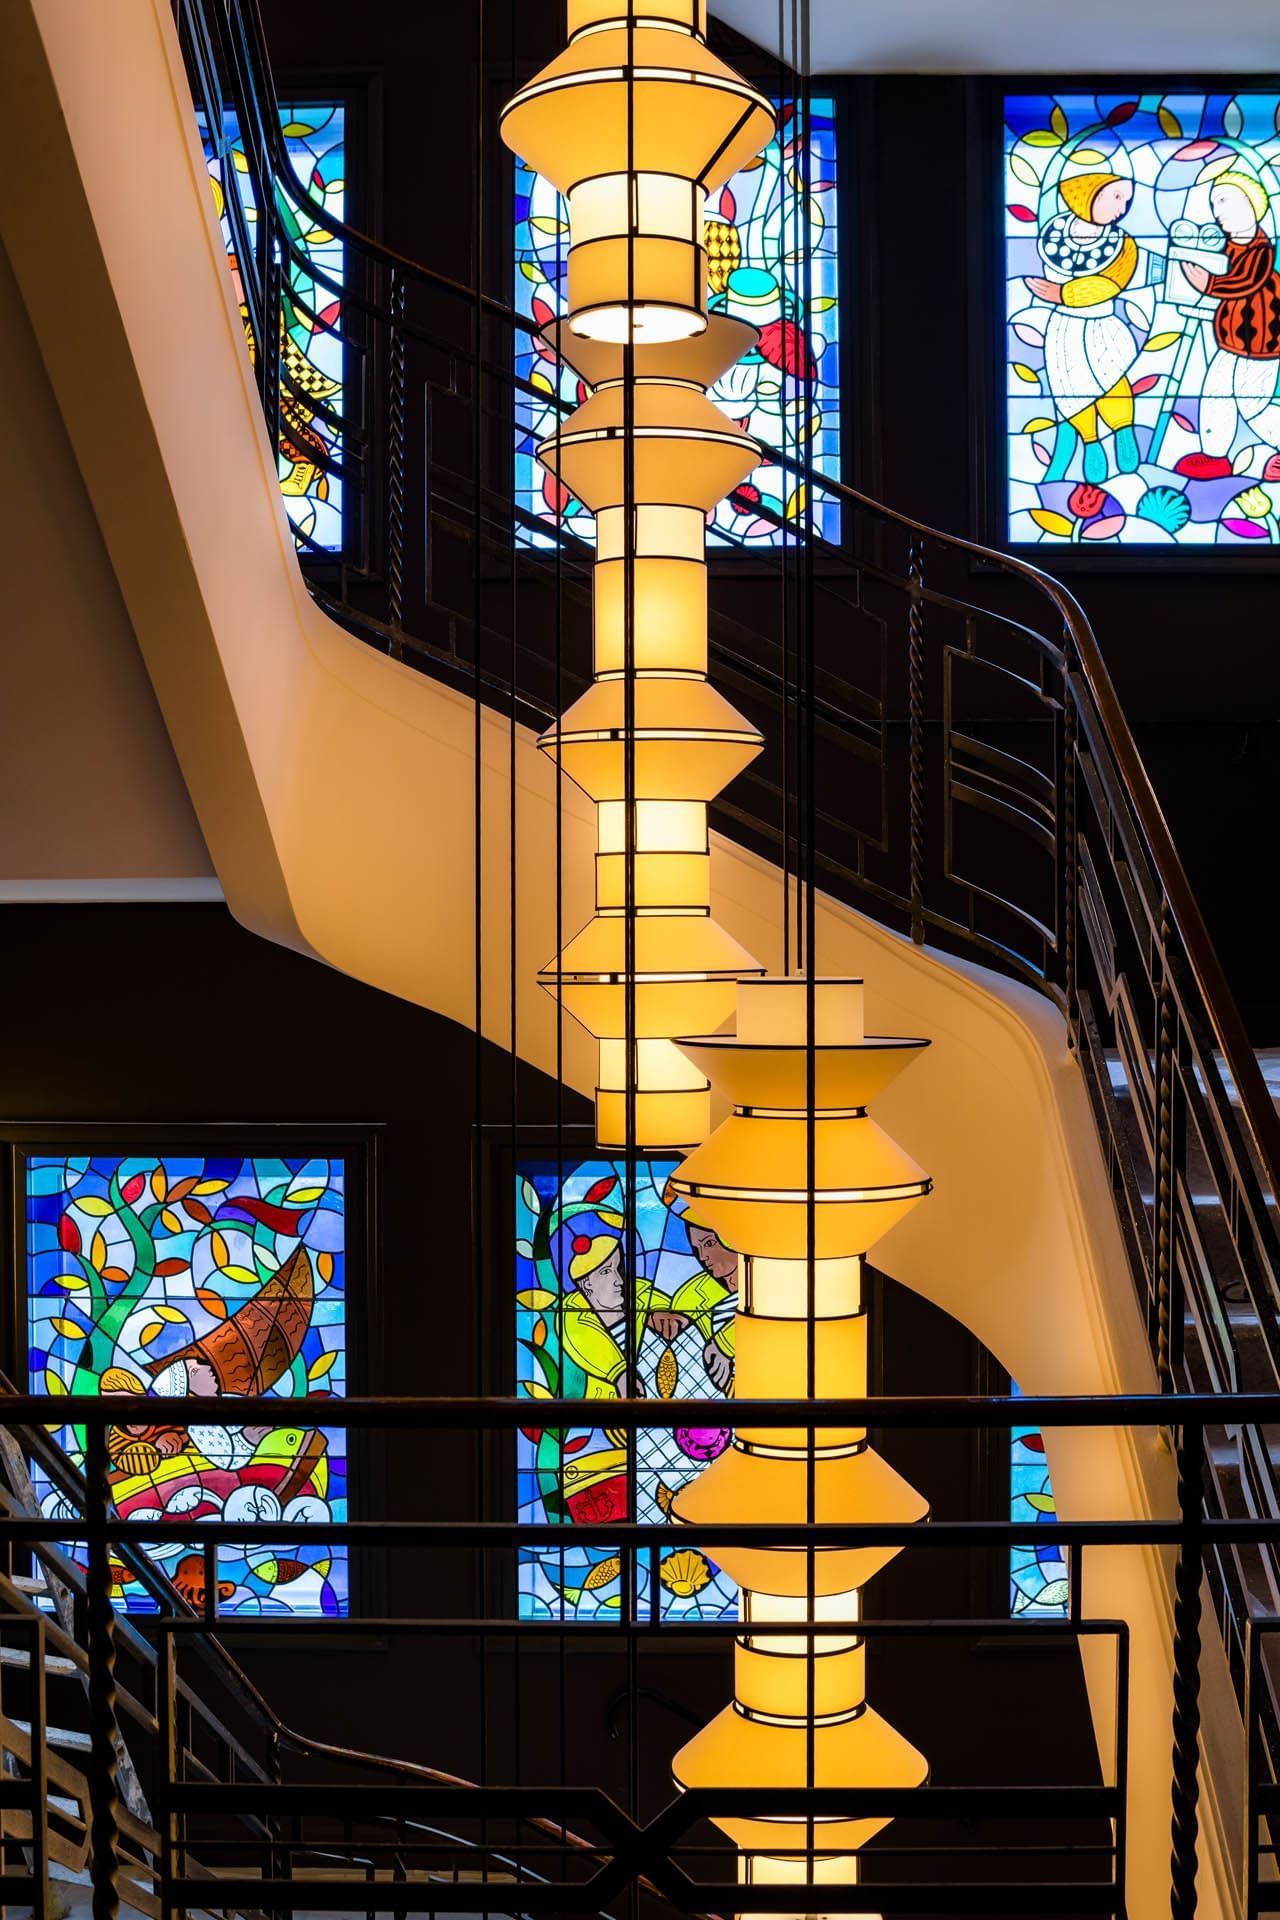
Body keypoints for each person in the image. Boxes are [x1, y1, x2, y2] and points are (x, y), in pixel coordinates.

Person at [1025, 172, 1144, 484]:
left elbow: (1111, 283)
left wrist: (1063, 294)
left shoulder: (1123, 244)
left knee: (1112, 377)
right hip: (1064, 330)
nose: (1124, 207)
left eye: (1128, 200)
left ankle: (1123, 431)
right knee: (1070, 390)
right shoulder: (1054, 233)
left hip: (1101, 323)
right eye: (1117, 197)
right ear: (1089, 195)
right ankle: (1091, 443)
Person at [1182, 172, 1280, 456]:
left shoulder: (1261, 249)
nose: (1217, 213)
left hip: (1262, 341)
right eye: (1214, 205)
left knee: (1252, 406)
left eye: (1223, 201)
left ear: (1251, 203)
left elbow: (1246, 281)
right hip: (1231, 338)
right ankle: (1214, 455)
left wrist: (1209, 284)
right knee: (1215, 392)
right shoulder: (1227, 246)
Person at [672, 1214, 739, 1391]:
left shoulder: (775, 1280)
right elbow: (646, 1297)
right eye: (697, 1248)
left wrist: (723, 1343)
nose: (703, 1257)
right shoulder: (695, 1293)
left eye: (709, 1244)